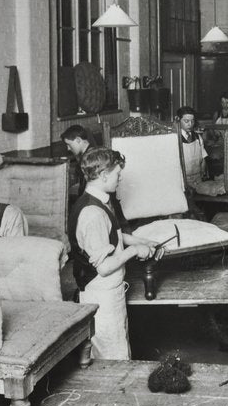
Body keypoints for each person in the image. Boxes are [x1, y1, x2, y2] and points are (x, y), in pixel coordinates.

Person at [69, 148, 163, 360]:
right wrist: (134, 251)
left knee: (120, 346)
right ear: (103, 175)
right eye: (117, 174)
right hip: (101, 294)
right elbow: (103, 267)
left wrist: (142, 242)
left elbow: (113, 237)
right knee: (114, 356)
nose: (120, 178)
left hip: (110, 290)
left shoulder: (99, 201)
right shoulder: (92, 214)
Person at [176, 106, 208, 189]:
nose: (190, 124)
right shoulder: (175, 138)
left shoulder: (197, 137)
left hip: (197, 180)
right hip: (182, 181)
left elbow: (203, 157)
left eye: (192, 121)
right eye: (186, 121)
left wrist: (202, 172)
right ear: (179, 120)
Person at [62, 124, 95, 201]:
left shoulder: (89, 158)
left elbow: (86, 190)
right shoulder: (90, 152)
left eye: (69, 144)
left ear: (78, 140)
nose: (68, 148)